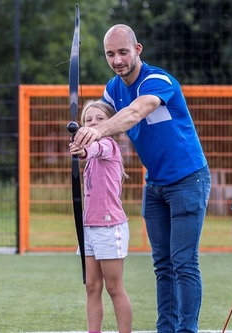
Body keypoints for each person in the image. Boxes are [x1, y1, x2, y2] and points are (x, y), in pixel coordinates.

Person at [73, 24, 211, 333]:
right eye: (110, 54)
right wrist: (86, 140)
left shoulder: (158, 80)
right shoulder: (112, 88)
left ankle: (186, 330)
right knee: (163, 265)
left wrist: (96, 130)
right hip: (156, 184)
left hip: (189, 179)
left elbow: (134, 113)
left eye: (123, 52)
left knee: (183, 262)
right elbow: (99, 117)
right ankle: (166, 329)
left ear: (138, 49)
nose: (117, 60)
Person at [69, 99, 132, 333]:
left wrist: (84, 149)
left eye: (100, 119)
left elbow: (96, 148)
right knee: (92, 286)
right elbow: (88, 155)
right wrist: (81, 150)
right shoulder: (92, 157)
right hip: (89, 228)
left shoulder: (109, 146)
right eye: (88, 120)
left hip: (109, 227)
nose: (93, 123)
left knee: (114, 288)